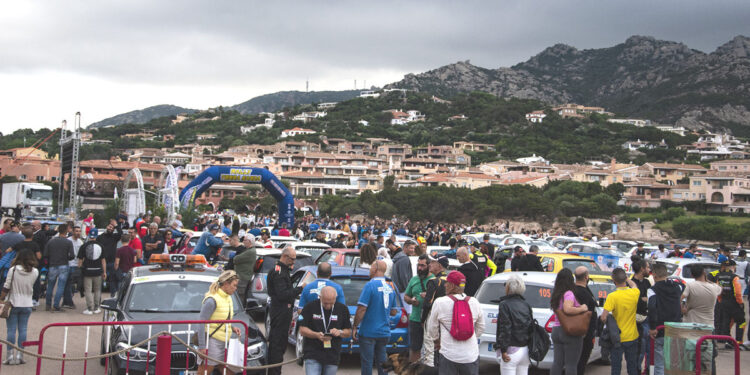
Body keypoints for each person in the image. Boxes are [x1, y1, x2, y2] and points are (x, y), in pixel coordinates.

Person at [426, 271, 484, 374]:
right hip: (471, 355)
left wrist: (437, 341)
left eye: (447, 282)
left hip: (449, 354)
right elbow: (481, 327)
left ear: (452, 286)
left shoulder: (440, 302)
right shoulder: (474, 302)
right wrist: (470, 337)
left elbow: (432, 328)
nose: (445, 285)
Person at [352, 260, 398, 375]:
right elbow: (393, 312)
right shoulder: (390, 287)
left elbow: (362, 309)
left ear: (375, 269)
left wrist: (355, 326)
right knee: (382, 362)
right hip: (384, 332)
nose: (369, 270)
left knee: (367, 362)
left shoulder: (370, 286)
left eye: (371, 267)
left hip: (368, 331)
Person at [266, 246, 305, 375]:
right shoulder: (279, 272)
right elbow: (283, 294)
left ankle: (275, 370)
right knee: (277, 344)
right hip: (280, 311)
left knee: (281, 344)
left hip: (282, 311)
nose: (294, 262)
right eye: (292, 259)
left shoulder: (283, 270)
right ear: (285, 257)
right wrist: (299, 289)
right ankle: (274, 371)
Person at [299, 286, 352, 375]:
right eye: (325, 303)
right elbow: (302, 329)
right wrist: (315, 334)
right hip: (313, 353)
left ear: (335, 298)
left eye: (331, 303)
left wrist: (340, 332)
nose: (328, 306)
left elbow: (348, 331)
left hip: (332, 355)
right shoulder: (310, 307)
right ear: (320, 297)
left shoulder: (342, 309)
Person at [197, 270, 242, 375]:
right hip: (212, 342)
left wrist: (232, 327)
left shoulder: (227, 298)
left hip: (223, 341)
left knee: (225, 370)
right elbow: (201, 323)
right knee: (205, 371)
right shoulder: (212, 300)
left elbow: (222, 318)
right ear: (226, 284)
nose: (235, 289)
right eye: (234, 285)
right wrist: (202, 346)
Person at [1, 248, 38, 365]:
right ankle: (20, 355)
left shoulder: (13, 270)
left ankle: (10, 356)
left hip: (13, 302)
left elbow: (6, 286)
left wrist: (1, 298)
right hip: (27, 303)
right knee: (23, 329)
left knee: (11, 330)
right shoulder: (35, 271)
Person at [600, 268, 640, 375]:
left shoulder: (612, 296)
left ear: (614, 281)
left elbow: (604, 317)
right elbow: (634, 286)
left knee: (616, 368)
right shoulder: (634, 293)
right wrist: (627, 279)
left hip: (617, 338)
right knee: (632, 367)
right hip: (633, 336)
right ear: (625, 279)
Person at [647, 262, 684, 375]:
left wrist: (652, 327)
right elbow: (683, 287)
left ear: (654, 275)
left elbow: (652, 308)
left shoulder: (652, 290)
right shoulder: (677, 287)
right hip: (675, 330)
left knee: (659, 364)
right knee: (674, 364)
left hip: (660, 330)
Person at [549, 268, 588, 375]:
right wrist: (582, 308)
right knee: (571, 364)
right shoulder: (569, 293)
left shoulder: (556, 294)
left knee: (557, 363)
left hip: (556, 330)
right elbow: (568, 309)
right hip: (569, 331)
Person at [495, 274, 532, 375]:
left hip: (511, 349)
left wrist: (503, 350)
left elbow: (505, 328)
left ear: (508, 288)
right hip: (525, 350)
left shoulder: (504, 304)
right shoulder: (526, 304)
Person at [403, 254, 434, 362]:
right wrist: (411, 301)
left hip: (430, 321)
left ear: (429, 266)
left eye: (422, 265)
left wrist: (429, 297)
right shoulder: (414, 279)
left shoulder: (435, 280)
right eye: (418, 265)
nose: (420, 268)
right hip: (415, 319)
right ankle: (414, 371)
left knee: (431, 349)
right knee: (415, 348)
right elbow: (406, 296)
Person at [573, 266, 598, 375]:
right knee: (581, 361)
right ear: (586, 277)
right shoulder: (584, 293)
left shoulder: (572, 291)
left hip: (576, 331)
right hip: (584, 333)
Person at [43, 224, 74, 312]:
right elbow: (72, 256)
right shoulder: (68, 242)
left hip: (52, 265)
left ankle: (48, 304)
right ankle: (56, 305)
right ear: (66, 231)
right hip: (63, 264)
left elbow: (46, 254)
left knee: (50, 285)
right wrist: (66, 257)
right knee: (61, 286)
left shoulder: (51, 241)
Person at [716, 259, 746, 347]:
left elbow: (718, 290)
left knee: (727, 321)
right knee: (741, 321)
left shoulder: (719, 276)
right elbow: (737, 292)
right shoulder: (734, 277)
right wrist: (740, 303)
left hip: (724, 302)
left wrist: (720, 300)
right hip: (734, 303)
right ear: (733, 267)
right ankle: (738, 342)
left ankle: (727, 341)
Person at [78, 229, 106, 315]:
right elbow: (103, 261)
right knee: (97, 290)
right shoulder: (101, 246)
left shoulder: (84, 246)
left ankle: (90, 308)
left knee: (88, 290)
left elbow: (80, 261)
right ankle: (97, 307)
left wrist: (79, 268)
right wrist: (104, 272)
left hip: (87, 271)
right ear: (97, 236)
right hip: (98, 270)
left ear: (89, 235)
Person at [630, 258, 651, 371]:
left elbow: (650, 299)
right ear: (642, 269)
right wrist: (643, 300)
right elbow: (638, 302)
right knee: (640, 350)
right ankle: (637, 370)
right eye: (647, 267)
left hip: (648, 319)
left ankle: (647, 370)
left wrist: (645, 299)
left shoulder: (647, 282)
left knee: (649, 349)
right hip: (638, 321)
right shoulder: (632, 284)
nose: (649, 269)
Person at [96, 220, 122, 297]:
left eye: (112, 227)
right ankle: (98, 297)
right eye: (109, 226)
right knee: (100, 280)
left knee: (112, 279)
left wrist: (116, 225)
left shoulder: (114, 237)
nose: (110, 228)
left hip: (112, 262)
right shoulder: (100, 237)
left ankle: (113, 295)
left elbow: (121, 233)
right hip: (102, 262)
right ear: (106, 227)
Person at [229, 236, 257, 304]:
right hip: (241, 276)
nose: (243, 242)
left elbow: (235, 259)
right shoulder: (247, 250)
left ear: (249, 241)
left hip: (243, 277)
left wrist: (235, 258)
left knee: (239, 295)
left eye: (245, 240)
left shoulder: (251, 251)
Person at [62, 225, 84, 309]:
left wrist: (80, 265)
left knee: (72, 285)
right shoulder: (68, 240)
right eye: (76, 231)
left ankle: (67, 301)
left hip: (76, 265)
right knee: (68, 284)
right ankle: (68, 301)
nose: (78, 233)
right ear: (73, 232)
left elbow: (81, 255)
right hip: (68, 264)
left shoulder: (80, 242)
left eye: (79, 231)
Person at [391, 240, 414, 313]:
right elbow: (404, 276)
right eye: (411, 248)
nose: (413, 250)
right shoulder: (404, 259)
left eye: (413, 248)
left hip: (397, 289)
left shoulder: (398, 257)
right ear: (405, 248)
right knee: (408, 312)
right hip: (403, 291)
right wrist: (408, 291)